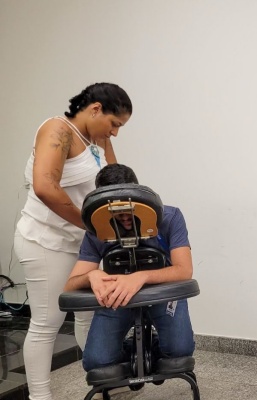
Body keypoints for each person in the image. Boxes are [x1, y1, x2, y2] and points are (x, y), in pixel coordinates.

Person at [13, 83, 132, 400]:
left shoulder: (98, 138)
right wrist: (92, 223)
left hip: (81, 242)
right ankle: (40, 397)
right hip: (45, 241)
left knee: (89, 314)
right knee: (47, 322)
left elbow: (114, 183)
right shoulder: (58, 129)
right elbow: (45, 187)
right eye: (115, 123)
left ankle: (106, 382)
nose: (116, 133)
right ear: (95, 109)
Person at [64, 163, 195, 374]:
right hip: (118, 297)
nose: (124, 216)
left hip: (161, 293)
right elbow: (70, 285)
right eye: (116, 212)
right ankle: (132, 350)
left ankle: (154, 347)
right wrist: (92, 275)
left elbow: (184, 270)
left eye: (127, 208)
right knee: (97, 363)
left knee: (179, 351)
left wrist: (140, 277)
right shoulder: (96, 231)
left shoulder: (170, 217)